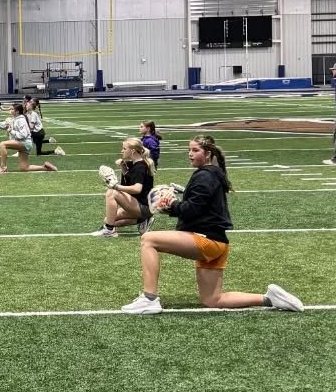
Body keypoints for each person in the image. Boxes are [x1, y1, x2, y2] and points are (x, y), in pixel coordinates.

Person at [120, 135, 302, 315]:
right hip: (218, 242)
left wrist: (172, 204)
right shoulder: (211, 174)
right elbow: (200, 208)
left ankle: (150, 299)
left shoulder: (205, 176)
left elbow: (192, 209)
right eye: (189, 150)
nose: (190, 154)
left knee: (148, 239)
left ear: (207, 154)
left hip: (207, 240)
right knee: (212, 300)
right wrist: (172, 206)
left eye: (195, 150)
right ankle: (269, 298)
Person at [94, 137, 153, 239]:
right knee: (108, 219)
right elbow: (128, 183)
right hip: (139, 206)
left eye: (124, 149)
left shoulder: (140, 167)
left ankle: (109, 230)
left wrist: (116, 186)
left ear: (133, 151)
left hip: (143, 207)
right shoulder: (132, 164)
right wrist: (123, 167)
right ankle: (142, 220)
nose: (122, 151)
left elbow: (137, 189)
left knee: (111, 193)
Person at [0, 102, 58, 174]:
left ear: (17, 111)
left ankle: (3, 167)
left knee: (3, 144)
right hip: (24, 144)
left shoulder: (21, 120)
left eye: (12, 109)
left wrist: (11, 131)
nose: (10, 110)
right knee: (24, 168)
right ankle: (46, 167)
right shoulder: (14, 119)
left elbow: (23, 135)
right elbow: (2, 125)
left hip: (25, 143)